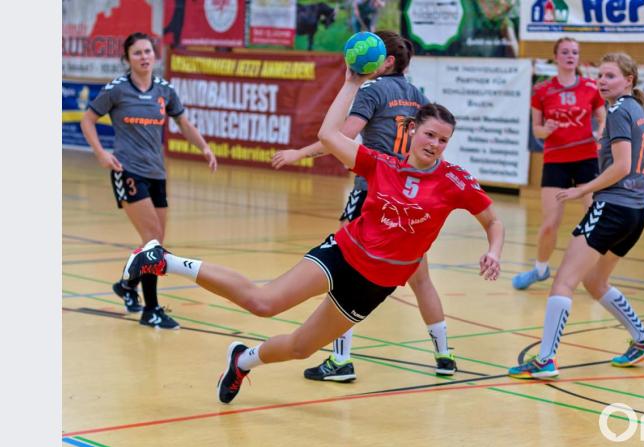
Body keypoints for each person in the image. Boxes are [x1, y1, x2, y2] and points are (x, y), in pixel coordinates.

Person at [119, 69, 505, 405]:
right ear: (413, 131)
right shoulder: (379, 163)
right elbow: (328, 134)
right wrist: (352, 82)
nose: (435, 145)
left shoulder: (455, 181)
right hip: (343, 255)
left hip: (375, 285)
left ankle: (242, 361)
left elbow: (493, 221)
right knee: (263, 302)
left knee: (302, 347)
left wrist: (494, 251)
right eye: (430, 134)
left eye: (443, 140)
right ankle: (162, 260)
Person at [272, 31, 459, 381]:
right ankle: (444, 354)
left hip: (374, 190)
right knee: (422, 280)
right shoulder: (418, 96)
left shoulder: (372, 90)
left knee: (343, 273)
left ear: (385, 61)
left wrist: (300, 152)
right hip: (410, 195)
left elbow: (342, 136)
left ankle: (340, 362)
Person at [507, 52, 644, 379]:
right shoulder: (637, 110)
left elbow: (621, 165)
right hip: (637, 210)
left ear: (628, 80)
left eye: (610, 76)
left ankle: (545, 360)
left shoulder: (620, 110)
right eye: (600, 76)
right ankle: (642, 339)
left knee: (563, 281)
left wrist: (583, 189)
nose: (602, 81)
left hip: (614, 206)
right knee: (595, 281)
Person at [80, 32, 217, 329]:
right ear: (127, 58)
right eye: (137, 53)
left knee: (155, 243)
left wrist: (204, 147)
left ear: (155, 56)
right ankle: (151, 310)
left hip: (158, 173)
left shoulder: (165, 90)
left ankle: (127, 286)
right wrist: (101, 153)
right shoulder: (117, 90)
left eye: (148, 52)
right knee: (153, 242)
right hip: (127, 170)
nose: (144, 57)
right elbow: (87, 120)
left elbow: (183, 122)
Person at [512, 37, 606, 290]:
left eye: (575, 52)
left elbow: (602, 117)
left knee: (595, 219)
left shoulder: (590, 86)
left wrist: (601, 133)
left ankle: (594, 273)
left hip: (586, 159)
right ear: (556, 57)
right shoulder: (542, 90)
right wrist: (547, 129)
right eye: (565, 52)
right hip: (556, 161)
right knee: (550, 224)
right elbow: (537, 130)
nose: (570, 56)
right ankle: (540, 269)